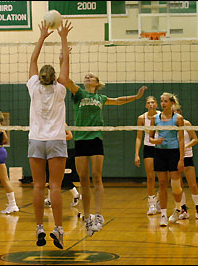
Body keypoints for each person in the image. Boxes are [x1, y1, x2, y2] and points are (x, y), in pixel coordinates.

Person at [63, 69, 147, 236]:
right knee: (84, 180)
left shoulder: (100, 98)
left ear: (97, 83)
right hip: (80, 140)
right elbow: (66, 80)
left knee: (97, 176)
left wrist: (136, 97)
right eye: (86, 76)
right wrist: (62, 58)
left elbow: (118, 100)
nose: (88, 77)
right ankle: (87, 217)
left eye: (91, 76)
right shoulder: (78, 93)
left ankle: (99, 215)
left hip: (95, 139)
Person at [27, 19, 73, 249]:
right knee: (55, 186)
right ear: (55, 77)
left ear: (40, 77)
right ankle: (58, 228)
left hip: (36, 140)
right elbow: (66, 65)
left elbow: (33, 60)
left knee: (37, 186)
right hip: (55, 140)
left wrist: (42, 37)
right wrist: (63, 38)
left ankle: (39, 228)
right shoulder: (61, 88)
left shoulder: (33, 86)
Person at [149, 92, 184, 227]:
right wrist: (155, 140)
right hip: (160, 153)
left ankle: (177, 208)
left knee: (175, 185)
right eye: (161, 101)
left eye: (165, 101)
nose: (163, 103)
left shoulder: (178, 118)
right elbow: (150, 137)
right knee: (162, 184)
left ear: (171, 103)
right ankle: (163, 215)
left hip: (174, 153)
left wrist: (181, 158)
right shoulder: (155, 118)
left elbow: (181, 139)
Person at [174, 107, 198, 220]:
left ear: (180, 113)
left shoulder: (186, 123)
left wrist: (184, 146)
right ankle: (183, 210)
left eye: (177, 112)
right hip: (174, 157)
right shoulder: (169, 126)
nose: (176, 115)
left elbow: (195, 139)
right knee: (179, 186)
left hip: (187, 156)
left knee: (193, 184)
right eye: (173, 113)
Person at [135, 96, 161, 215]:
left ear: (156, 104)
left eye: (152, 102)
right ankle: (151, 203)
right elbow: (139, 137)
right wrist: (136, 154)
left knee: (163, 178)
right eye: (148, 103)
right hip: (148, 147)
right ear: (146, 105)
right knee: (150, 176)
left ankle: (160, 200)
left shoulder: (162, 116)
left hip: (162, 147)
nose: (151, 104)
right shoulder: (141, 118)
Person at [44, 123, 81, 208]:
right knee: (52, 175)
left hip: (60, 152)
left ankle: (51, 200)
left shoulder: (62, 122)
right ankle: (75, 195)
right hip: (50, 151)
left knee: (58, 176)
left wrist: (57, 139)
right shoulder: (47, 122)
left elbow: (70, 136)